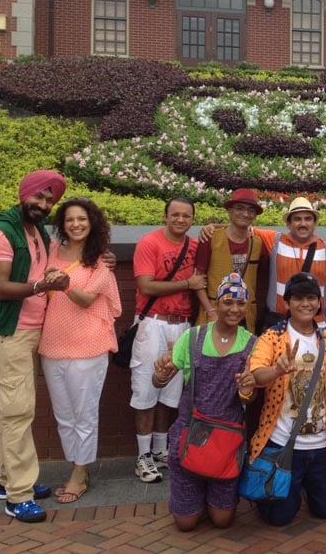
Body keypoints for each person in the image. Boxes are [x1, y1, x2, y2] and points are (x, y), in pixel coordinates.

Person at [0, 170, 69, 523]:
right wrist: (42, 288)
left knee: (11, 409)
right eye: (39, 197)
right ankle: (18, 496)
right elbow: (0, 287)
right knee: (18, 411)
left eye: (49, 200)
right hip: (9, 331)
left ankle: (7, 481)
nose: (44, 204)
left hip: (30, 330)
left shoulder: (36, 232)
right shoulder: (1, 233)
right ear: (24, 194)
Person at [152, 273, 258, 531]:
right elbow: (160, 382)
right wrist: (160, 375)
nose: (234, 309)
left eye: (240, 303)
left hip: (227, 438)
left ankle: (212, 498)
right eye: (228, 302)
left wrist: (247, 390)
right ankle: (193, 497)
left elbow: (250, 397)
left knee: (222, 521)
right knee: (185, 524)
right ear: (217, 303)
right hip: (190, 432)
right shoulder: (193, 337)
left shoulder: (252, 344)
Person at [247, 272, 326, 526]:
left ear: (319, 302)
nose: (305, 304)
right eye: (298, 298)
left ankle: (310, 485)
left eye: (311, 298)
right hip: (284, 444)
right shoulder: (272, 338)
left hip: (323, 443)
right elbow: (256, 374)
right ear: (287, 302)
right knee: (278, 517)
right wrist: (276, 371)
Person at [37, 197, 121, 503]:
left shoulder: (100, 260)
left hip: (89, 347)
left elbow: (86, 300)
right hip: (52, 345)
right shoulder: (52, 251)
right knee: (64, 415)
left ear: (92, 222)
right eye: (70, 219)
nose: (76, 224)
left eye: (82, 219)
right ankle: (76, 466)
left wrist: (64, 284)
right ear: (62, 224)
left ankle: (80, 473)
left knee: (84, 414)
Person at [130, 197, 207, 483]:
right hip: (153, 323)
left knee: (171, 391)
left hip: (182, 325)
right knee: (146, 390)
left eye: (186, 216)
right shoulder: (149, 243)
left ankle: (160, 450)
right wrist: (186, 284)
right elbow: (146, 285)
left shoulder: (195, 246)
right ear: (165, 216)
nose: (180, 220)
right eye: (175, 214)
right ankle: (142, 455)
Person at [194, 188, 268, 333]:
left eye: (250, 210)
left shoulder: (258, 243)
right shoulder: (210, 239)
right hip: (215, 313)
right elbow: (198, 280)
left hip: (245, 316)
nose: (245, 214)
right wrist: (210, 311)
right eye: (239, 208)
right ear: (230, 211)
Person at [252, 197, 326, 330]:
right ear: (289, 224)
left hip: (317, 326)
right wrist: (212, 228)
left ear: (314, 223)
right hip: (279, 325)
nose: (303, 223)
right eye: (297, 219)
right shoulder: (274, 240)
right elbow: (242, 229)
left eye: (308, 219)